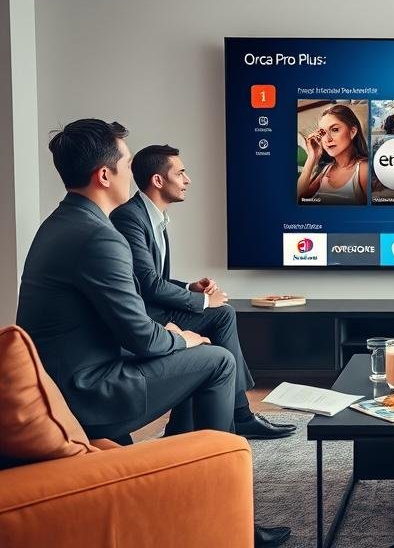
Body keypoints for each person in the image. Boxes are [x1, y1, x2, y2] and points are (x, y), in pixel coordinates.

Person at [16, 119, 290, 547]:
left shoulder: (60, 224)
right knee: (216, 361)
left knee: (197, 355)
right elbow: (141, 338)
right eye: (127, 164)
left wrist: (172, 333)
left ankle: (180, 455)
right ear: (104, 175)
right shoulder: (98, 237)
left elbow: (123, 317)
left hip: (64, 382)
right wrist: (183, 339)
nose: (132, 174)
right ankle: (227, 518)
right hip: (89, 392)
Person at [111, 144, 295, 440]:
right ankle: (240, 415)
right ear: (158, 180)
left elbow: (155, 278)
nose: (188, 180)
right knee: (220, 313)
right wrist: (205, 299)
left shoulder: (154, 217)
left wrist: (189, 287)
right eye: (180, 173)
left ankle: (228, 416)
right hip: (144, 319)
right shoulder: (129, 218)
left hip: (155, 309)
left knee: (222, 314)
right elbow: (147, 284)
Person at [297, 103, 369, 204]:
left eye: (335, 130)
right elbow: (298, 200)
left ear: (352, 131)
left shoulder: (363, 169)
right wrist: (312, 157)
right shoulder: (326, 170)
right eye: (322, 133)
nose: (327, 139)